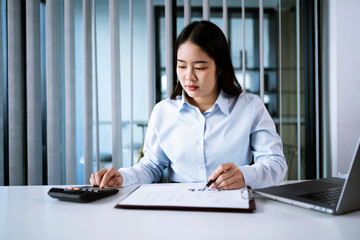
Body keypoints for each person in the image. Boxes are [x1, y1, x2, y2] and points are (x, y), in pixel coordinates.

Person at [90, 20, 287, 190]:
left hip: (232, 208)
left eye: (200, 67)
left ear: (220, 66)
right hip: (179, 209)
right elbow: (151, 166)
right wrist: (123, 177)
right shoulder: (163, 111)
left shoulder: (250, 107)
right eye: (182, 66)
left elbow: (276, 164)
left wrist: (245, 176)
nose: (188, 77)